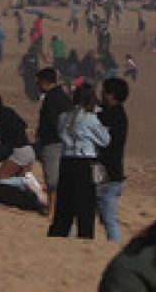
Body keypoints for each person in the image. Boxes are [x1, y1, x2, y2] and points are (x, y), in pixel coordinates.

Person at [47, 81, 110, 239]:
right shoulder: (90, 119)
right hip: (83, 161)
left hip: (67, 160)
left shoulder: (63, 117)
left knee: (64, 204)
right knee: (85, 206)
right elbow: (105, 140)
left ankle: (58, 234)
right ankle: (85, 237)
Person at [97, 76, 130, 242]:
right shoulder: (106, 112)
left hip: (108, 175)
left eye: (106, 91)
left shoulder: (116, 117)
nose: (102, 94)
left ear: (113, 95)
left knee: (109, 220)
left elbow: (106, 143)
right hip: (108, 175)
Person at [35, 67, 72, 215]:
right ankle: (53, 207)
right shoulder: (61, 96)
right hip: (57, 142)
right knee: (53, 177)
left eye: (38, 81)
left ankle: (52, 209)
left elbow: (53, 122)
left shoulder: (52, 98)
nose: (37, 84)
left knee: (52, 179)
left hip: (52, 142)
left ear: (44, 82)